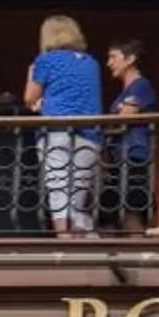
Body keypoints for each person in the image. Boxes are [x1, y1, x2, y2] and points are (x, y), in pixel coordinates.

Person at [24, 16, 104, 238]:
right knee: (77, 194)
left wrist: (31, 73)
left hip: (56, 131)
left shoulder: (46, 60)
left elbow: (30, 98)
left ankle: (65, 240)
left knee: (58, 189)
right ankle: (83, 235)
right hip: (89, 134)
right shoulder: (91, 62)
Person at [105, 41, 157, 234]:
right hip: (120, 159)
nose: (109, 63)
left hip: (135, 157)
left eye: (113, 57)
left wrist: (111, 122)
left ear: (130, 59)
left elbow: (122, 120)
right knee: (114, 214)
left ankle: (141, 257)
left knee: (131, 213)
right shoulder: (126, 91)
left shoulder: (141, 86)